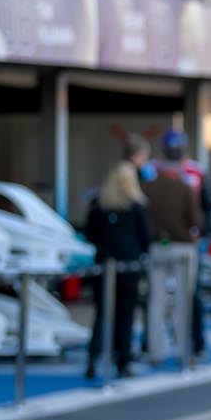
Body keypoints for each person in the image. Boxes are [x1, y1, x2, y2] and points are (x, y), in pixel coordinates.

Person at [84, 138, 153, 380]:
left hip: (103, 262)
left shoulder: (98, 205)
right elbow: (147, 237)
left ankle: (93, 358)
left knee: (102, 313)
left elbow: (90, 234)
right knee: (124, 314)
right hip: (128, 264)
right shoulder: (135, 207)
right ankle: (122, 361)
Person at [154, 129, 211, 359]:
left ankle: (195, 344)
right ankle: (154, 345)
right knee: (157, 298)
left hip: (188, 242)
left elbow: (207, 206)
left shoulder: (196, 171)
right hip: (161, 241)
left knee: (191, 295)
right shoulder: (153, 170)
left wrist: (202, 232)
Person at [141, 154, 202, 366]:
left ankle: (155, 352)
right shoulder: (184, 188)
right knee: (182, 301)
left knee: (156, 300)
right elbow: (195, 220)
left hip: (157, 246)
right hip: (182, 247)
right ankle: (183, 351)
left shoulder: (147, 188)